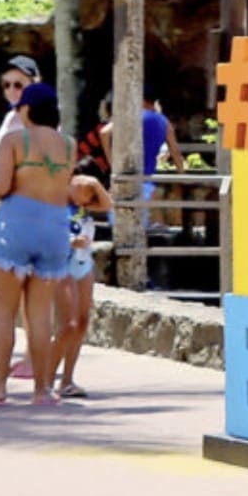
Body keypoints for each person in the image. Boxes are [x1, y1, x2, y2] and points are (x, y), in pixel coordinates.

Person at [0, 83, 73, 406]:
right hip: (56, 229)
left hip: (16, 225)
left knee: (4, 312)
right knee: (41, 314)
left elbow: (2, 186)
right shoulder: (69, 145)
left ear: (27, 109)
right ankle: (42, 390)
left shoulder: (14, 140)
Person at [51, 167, 112, 398]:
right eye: (83, 193)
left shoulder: (83, 205)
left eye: (89, 195)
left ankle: (67, 380)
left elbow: (107, 205)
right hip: (62, 264)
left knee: (83, 322)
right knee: (68, 325)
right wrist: (69, 240)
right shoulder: (55, 203)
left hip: (83, 264)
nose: (87, 199)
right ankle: (46, 379)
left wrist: (95, 184)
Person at [100, 88, 186, 227]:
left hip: (123, 175)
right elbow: (175, 151)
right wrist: (182, 174)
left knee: (119, 226)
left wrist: (112, 161)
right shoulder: (164, 122)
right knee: (142, 227)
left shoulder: (130, 115)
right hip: (147, 179)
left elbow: (104, 132)